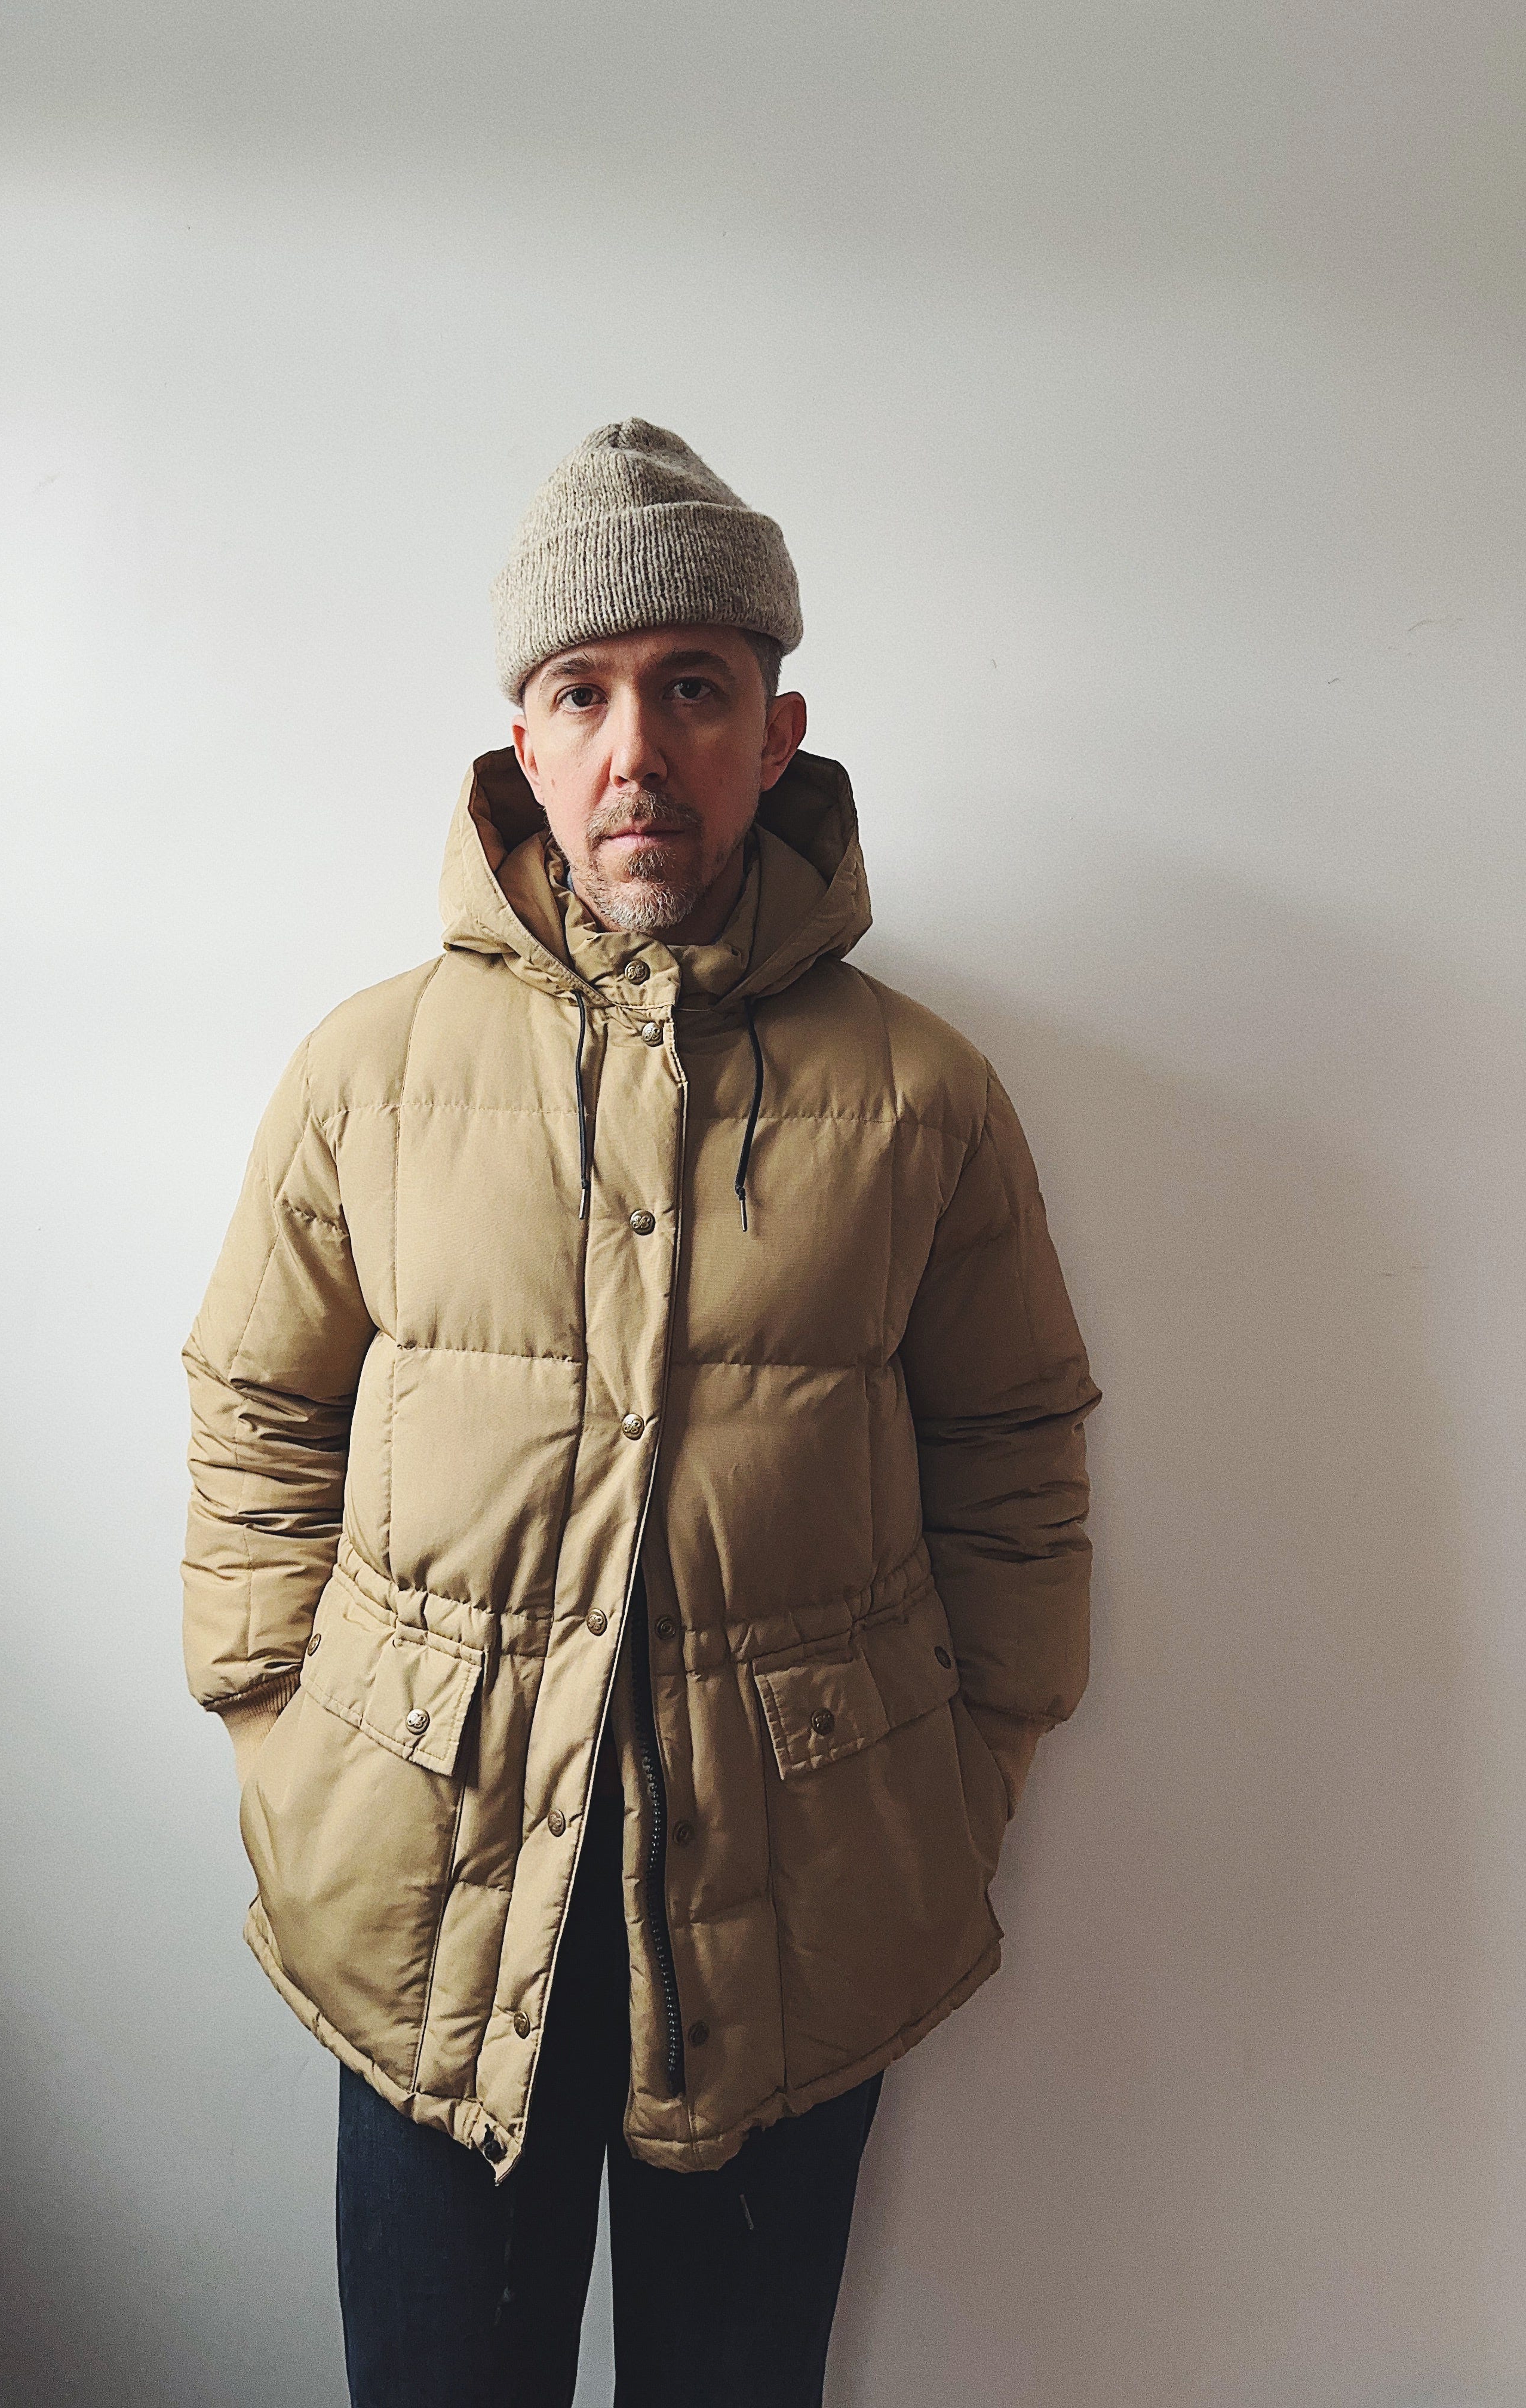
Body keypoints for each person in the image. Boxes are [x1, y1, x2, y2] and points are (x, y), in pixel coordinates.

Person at [180, 419, 1100, 2406]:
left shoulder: (924, 1099)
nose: (636, 751)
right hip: (423, 1888)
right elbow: (257, 1410)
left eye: (693, 689)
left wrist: (970, 1772)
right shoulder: (365, 1077)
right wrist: (275, 1728)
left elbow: (1016, 1452)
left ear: (776, 734)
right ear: (521, 741)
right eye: (583, 693)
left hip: (803, 1903)